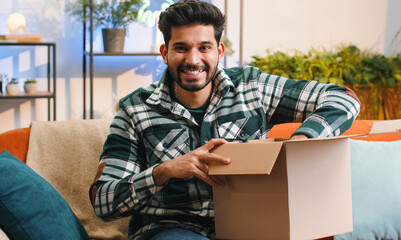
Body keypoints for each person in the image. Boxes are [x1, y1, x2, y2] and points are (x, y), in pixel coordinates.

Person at [89, 0, 361, 239]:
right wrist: (164, 171)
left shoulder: (252, 87)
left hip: (253, 225)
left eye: (204, 47)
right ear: (165, 53)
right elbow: (104, 202)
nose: (193, 59)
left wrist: (303, 140)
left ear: (219, 51)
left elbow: (344, 99)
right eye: (181, 48)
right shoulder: (134, 109)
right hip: (172, 228)